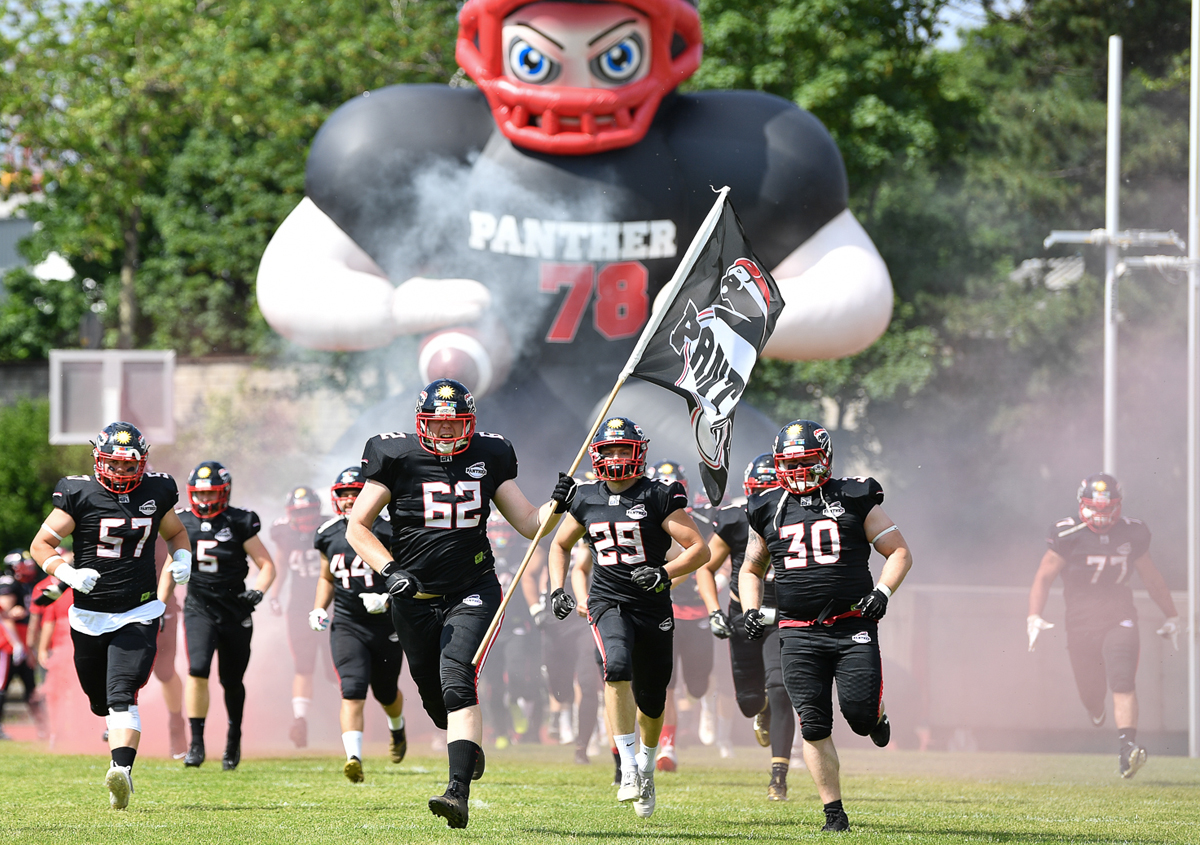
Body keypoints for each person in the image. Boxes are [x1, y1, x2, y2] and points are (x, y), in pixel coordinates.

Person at [346, 377, 576, 829]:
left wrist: (556, 505)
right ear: (421, 422)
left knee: (457, 680)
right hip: (412, 597)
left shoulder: (489, 455)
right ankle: (466, 751)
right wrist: (391, 571)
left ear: (470, 423)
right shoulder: (395, 456)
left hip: (473, 588)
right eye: (438, 424)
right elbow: (358, 527)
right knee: (436, 702)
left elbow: (530, 525)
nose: (447, 433)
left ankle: (457, 793)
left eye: (455, 425)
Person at [740, 420, 912, 833]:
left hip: (851, 624)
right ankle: (834, 815)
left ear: (826, 459)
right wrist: (749, 609)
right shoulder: (767, 506)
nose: (799, 471)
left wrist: (883, 592)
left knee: (859, 715)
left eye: (807, 462)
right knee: (814, 722)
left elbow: (899, 551)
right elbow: (750, 568)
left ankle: (877, 716)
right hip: (797, 630)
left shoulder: (854, 495)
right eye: (791, 463)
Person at [548, 416, 709, 820]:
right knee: (615, 667)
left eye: (624, 449)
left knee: (652, 700)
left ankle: (647, 767)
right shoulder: (584, 496)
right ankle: (628, 766)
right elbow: (558, 545)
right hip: (607, 601)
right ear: (597, 454)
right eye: (610, 449)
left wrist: (664, 573)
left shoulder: (658, 494)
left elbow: (699, 550)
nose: (617, 457)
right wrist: (557, 588)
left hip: (652, 605)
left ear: (639, 452)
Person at [29, 421, 193, 810]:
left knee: (123, 693)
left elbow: (176, 534)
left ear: (142, 463)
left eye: (127, 464)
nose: (120, 472)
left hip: (139, 609)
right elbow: (42, 544)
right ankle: (115, 739)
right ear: (99, 461)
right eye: (113, 464)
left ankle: (122, 771)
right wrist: (66, 573)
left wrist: (182, 558)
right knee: (99, 700)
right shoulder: (79, 493)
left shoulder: (157, 490)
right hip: (88, 614)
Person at [1027, 473, 1179, 779]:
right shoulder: (1067, 533)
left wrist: (1172, 615)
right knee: (1092, 695)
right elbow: (1044, 576)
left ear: (1118, 505)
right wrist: (1033, 615)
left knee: (1122, 679)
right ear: (1082, 504)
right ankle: (1097, 710)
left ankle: (1127, 749)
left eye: (1107, 506)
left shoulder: (1133, 533)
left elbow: (1151, 577)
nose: (1101, 513)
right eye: (1094, 506)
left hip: (1119, 617)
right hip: (1080, 622)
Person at [699, 453, 797, 800]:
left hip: (783, 616)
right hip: (745, 614)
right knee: (750, 702)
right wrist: (714, 610)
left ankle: (778, 775)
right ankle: (764, 709)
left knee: (780, 687)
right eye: (760, 490)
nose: (765, 498)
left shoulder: (800, 512)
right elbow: (705, 567)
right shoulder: (734, 519)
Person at [175, 461, 276, 770]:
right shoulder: (180, 521)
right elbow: (168, 564)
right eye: (200, 495)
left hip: (235, 611)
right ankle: (196, 742)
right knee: (198, 671)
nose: (205, 501)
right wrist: (161, 600)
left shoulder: (240, 521)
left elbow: (267, 565)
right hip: (199, 609)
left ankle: (233, 738)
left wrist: (257, 592)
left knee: (231, 680)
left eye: (212, 494)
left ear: (225, 492)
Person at [310, 466, 408, 783]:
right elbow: (327, 577)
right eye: (344, 493)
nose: (350, 499)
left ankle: (397, 728)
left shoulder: (390, 529)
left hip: (386, 624)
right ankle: (354, 757)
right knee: (351, 688)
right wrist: (318, 608)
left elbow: (409, 576)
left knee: (385, 691)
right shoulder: (328, 533)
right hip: (348, 623)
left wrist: (388, 599)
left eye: (355, 492)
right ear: (335, 497)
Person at [644, 460, 711, 773]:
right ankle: (667, 745)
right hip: (662, 611)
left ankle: (703, 706)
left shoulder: (702, 520)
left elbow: (713, 558)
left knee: (697, 685)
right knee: (665, 684)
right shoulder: (643, 521)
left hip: (696, 611)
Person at [269, 485, 326, 747]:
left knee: (337, 667)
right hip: (299, 607)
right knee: (303, 665)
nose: (304, 518)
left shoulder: (330, 527)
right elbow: (281, 563)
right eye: (299, 513)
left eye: (308, 512)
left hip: (332, 604)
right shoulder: (283, 533)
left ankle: (352, 717)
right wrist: (274, 594)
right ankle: (299, 720)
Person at [0, 549, 45, 739]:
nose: (28, 569)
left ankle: (45, 728)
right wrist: (17, 643)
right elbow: (5, 615)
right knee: (2, 686)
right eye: (24, 565)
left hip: (23, 644)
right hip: (7, 644)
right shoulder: (8, 584)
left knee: (31, 688)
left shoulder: (27, 585)